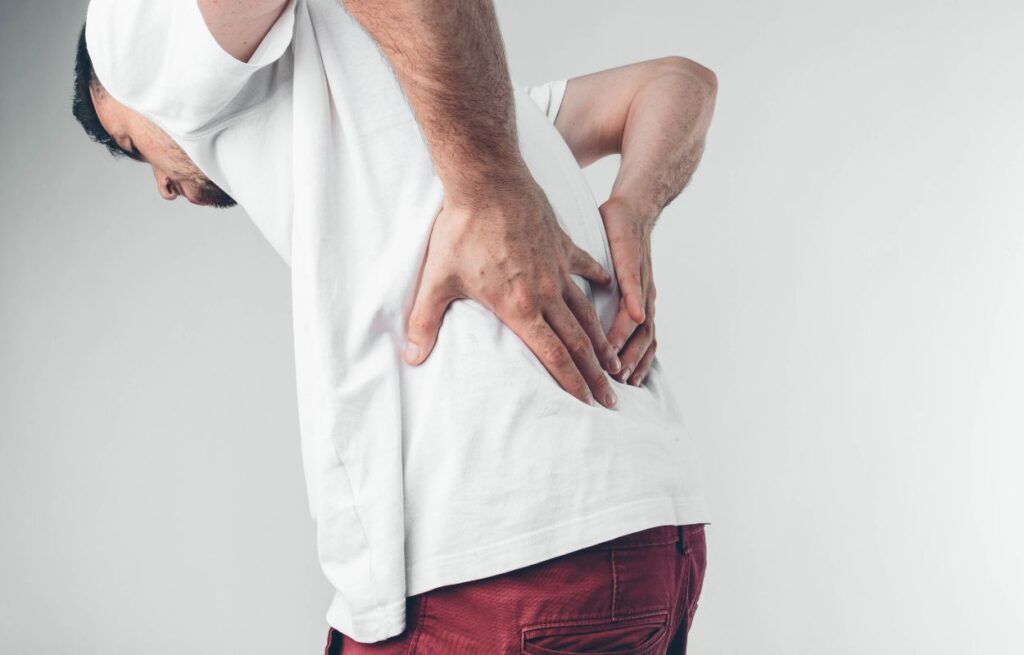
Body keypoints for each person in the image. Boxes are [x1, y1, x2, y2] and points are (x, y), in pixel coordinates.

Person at [72, 0, 717, 652]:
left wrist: (487, 183)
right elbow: (675, 82)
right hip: (649, 546)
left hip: (499, 564)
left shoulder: (128, 41)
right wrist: (633, 204)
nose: (161, 185)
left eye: (131, 143)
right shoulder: (474, 109)